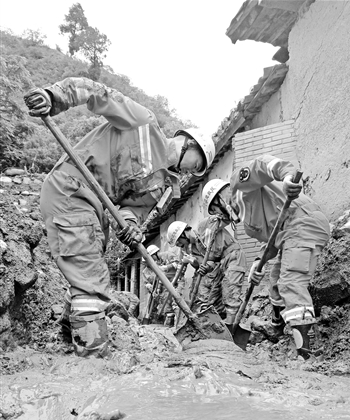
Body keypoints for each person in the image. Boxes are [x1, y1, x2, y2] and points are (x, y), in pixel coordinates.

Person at [24, 77, 215, 357]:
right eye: (194, 165)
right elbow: (95, 93)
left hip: (94, 210)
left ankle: (68, 336)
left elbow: (130, 210)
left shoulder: (160, 187)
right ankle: (91, 357)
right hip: (71, 188)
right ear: (187, 142)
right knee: (92, 279)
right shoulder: (143, 125)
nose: (188, 172)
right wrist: (54, 97)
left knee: (86, 270)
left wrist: (132, 227)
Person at [202, 156, 330, 360]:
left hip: (303, 222)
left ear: (218, 199)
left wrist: (287, 176)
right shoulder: (248, 226)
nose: (220, 217)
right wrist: (257, 263)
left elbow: (264, 165)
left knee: (291, 282)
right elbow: (271, 242)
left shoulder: (239, 185)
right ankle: (279, 331)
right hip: (288, 235)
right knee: (275, 283)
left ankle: (306, 354)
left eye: (215, 211)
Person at [166, 214, 247, 329]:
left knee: (230, 291)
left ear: (182, 234)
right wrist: (205, 267)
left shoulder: (203, 226)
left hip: (233, 256)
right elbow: (211, 263)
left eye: (179, 243)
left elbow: (223, 217)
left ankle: (232, 329)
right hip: (221, 263)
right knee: (218, 296)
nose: (180, 247)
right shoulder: (196, 248)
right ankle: (222, 325)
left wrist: (221, 217)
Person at [141, 244, 179, 326]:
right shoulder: (154, 265)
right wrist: (155, 288)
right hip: (165, 286)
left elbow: (177, 264)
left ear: (154, 254)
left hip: (176, 282)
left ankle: (177, 322)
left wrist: (166, 267)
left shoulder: (168, 255)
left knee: (175, 303)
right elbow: (159, 279)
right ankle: (167, 322)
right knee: (165, 305)